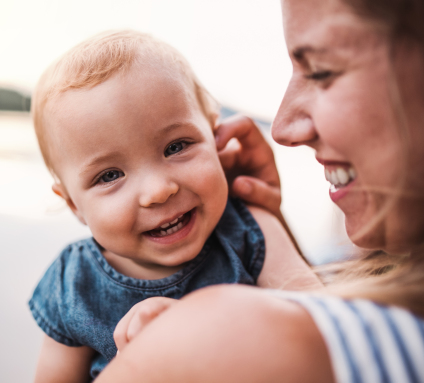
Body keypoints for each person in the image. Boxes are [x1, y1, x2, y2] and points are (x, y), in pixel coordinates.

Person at [96, 0, 424, 382]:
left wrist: (179, 342)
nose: (281, 127)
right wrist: (271, 232)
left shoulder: (205, 344)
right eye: (108, 175)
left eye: (320, 71)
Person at [28, 31, 320, 382]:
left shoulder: (249, 230)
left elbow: (322, 323)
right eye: (109, 175)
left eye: (176, 146)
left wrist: (194, 328)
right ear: (74, 205)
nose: (158, 191)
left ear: (215, 139)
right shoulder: (74, 283)